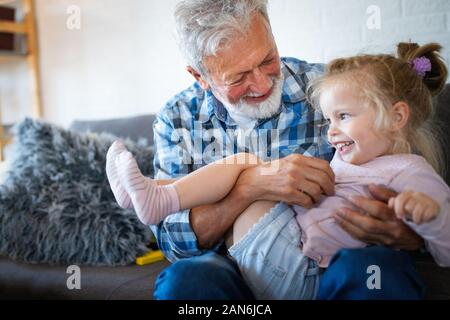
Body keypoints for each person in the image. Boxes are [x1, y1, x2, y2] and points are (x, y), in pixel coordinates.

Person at [114, 0, 436, 299]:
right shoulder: (177, 119)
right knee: (185, 282)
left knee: (375, 271)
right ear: (200, 76)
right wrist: (249, 188)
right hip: (232, 271)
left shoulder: (331, 89)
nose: (263, 83)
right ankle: (154, 192)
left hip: (329, 266)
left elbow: (408, 173)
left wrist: (408, 235)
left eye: (268, 59)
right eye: (239, 77)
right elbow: (174, 243)